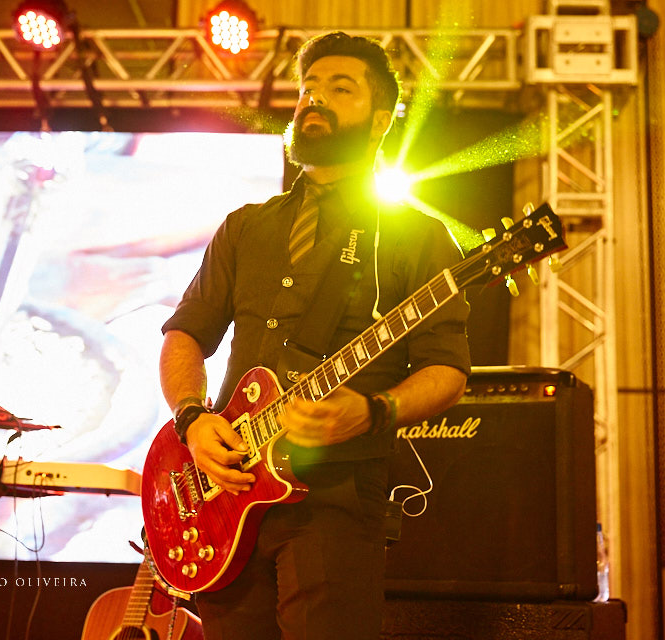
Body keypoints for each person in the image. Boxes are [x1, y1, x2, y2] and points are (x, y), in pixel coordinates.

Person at [158, 31, 470, 640]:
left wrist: (376, 410)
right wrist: (193, 419)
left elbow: (448, 371)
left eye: (339, 88)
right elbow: (185, 335)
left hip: (335, 499)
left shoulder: (417, 236)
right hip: (229, 496)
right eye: (307, 88)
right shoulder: (246, 228)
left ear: (381, 120)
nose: (313, 99)